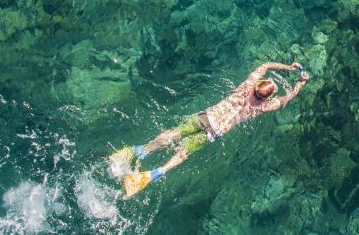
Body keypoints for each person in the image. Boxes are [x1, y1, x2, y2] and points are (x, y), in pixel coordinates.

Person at [109, 61, 309, 198]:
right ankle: (155, 173)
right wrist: (300, 83)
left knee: (174, 133)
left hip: (205, 118)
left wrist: (289, 67)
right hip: (213, 132)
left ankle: (140, 151)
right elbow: (285, 100)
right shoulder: (263, 106)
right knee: (184, 152)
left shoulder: (246, 86)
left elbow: (266, 66)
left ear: (257, 85)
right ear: (267, 97)